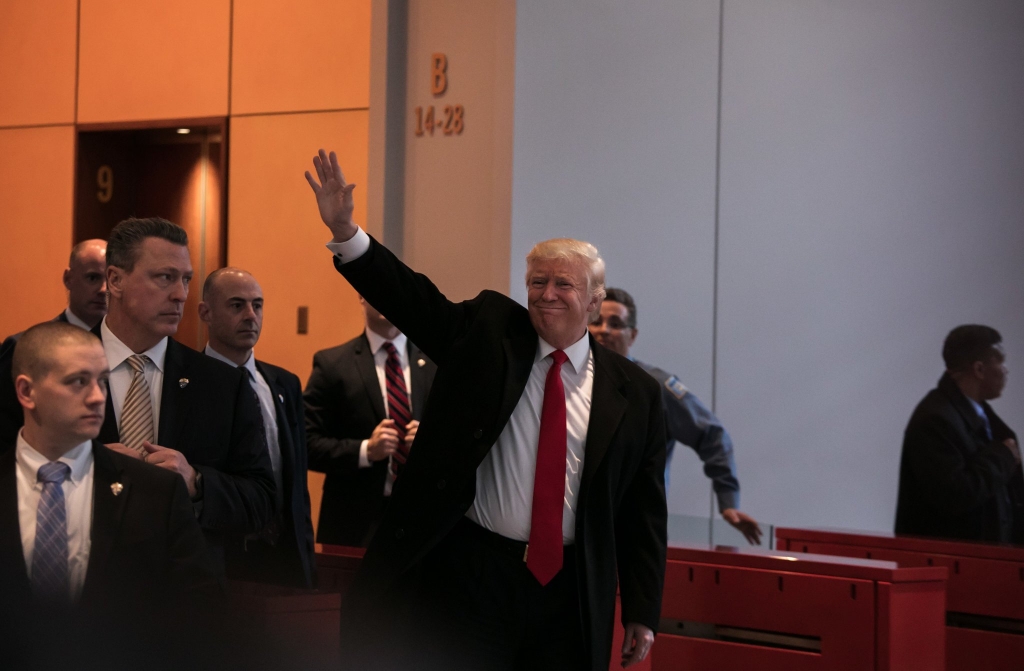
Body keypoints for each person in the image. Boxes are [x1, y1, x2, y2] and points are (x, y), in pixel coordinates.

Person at [306, 149, 667, 670]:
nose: (545, 295)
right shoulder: (490, 333)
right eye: (537, 281)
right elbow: (414, 300)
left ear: (593, 301)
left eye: (562, 284)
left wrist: (642, 610)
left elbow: (643, 510)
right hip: (474, 576)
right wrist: (346, 233)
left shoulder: (636, 392)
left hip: (571, 590)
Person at [0, 322, 217, 666]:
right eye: (78, 381)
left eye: (101, 380)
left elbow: (196, 612)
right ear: (27, 392)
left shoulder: (155, 492)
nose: (98, 396)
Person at [94, 217, 275, 577]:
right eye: (165, 277)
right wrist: (83, 468)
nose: (181, 294)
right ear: (115, 280)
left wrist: (196, 483)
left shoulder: (223, 385)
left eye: (186, 279)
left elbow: (262, 502)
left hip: (186, 602)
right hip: (77, 597)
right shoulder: (53, 368)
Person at [589, 287, 762, 545]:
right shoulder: (570, 380)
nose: (604, 330)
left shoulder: (654, 387)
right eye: (596, 322)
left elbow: (711, 434)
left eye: (615, 324)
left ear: (632, 335)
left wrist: (727, 500)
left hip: (634, 530)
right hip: (578, 527)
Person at [199, 267, 317, 588]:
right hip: (223, 556)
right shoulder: (190, 385)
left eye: (258, 305)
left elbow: (298, 484)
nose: (251, 315)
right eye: (237, 305)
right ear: (205, 312)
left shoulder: (284, 383)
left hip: (283, 556)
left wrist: (306, 558)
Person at [304, 295, 436, 547]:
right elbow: (305, 444)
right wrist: (365, 450)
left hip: (422, 522)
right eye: (377, 287)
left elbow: (463, 442)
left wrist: (430, 445)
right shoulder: (332, 365)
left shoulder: (436, 363)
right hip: (353, 524)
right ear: (361, 296)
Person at [896, 324, 1023, 544]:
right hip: (954, 567)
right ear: (979, 370)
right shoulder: (934, 420)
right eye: (1000, 361)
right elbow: (955, 494)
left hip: (990, 564)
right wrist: (1003, 456)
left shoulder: (979, 414)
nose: (1006, 370)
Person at [0, 239, 109, 452]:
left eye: (110, 280)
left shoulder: (124, 350)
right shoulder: (23, 346)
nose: (103, 289)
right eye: (93, 278)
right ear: (68, 279)